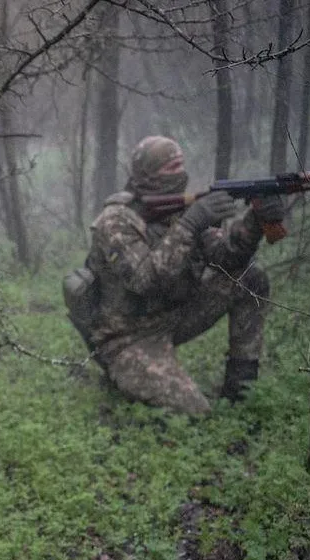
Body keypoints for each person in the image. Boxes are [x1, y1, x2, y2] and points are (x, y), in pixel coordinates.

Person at [73, 135, 284, 415]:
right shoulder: (116, 221)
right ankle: (121, 374)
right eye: (170, 168)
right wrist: (190, 224)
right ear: (146, 174)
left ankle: (240, 390)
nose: (180, 174)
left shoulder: (182, 210)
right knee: (194, 411)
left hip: (173, 318)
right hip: (128, 337)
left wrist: (256, 221)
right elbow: (145, 280)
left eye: (181, 166)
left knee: (250, 277)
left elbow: (225, 257)